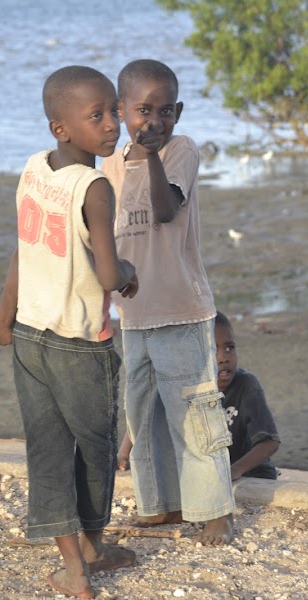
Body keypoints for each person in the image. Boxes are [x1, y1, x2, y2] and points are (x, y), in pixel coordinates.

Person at [0, 65, 139, 599]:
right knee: (95, 449)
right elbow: (108, 275)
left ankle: (79, 560)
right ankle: (83, 558)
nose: (112, 125)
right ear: (61, 128)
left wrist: (3, 316)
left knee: (48, 450)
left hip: (29, 336)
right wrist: (130, 275)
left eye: (114, 111)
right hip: (78, 345)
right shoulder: (94, 186)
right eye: (96, 116)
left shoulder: (33, 171)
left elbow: (23, 252)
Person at [100, 59, 235, 546]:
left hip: (181, 309)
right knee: (143, 415)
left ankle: (216, 511)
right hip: (133, 317)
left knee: (194, 416)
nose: (153, 122)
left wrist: (151, 155)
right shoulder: (109, 169)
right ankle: (161, 505)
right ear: (120, 111)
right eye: (142, 111)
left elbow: (163, 209)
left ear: (178, 112)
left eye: (164, 111)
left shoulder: (180, 151)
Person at [118, 311, 281, 480]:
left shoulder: (246, 385)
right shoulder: (185, 385)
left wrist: (234, 471)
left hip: (249, 475)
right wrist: (123, 454)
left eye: (229, 348)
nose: (223, 357)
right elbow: (144, 413)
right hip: (205, 474)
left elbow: (270, 442)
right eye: (212, 350)